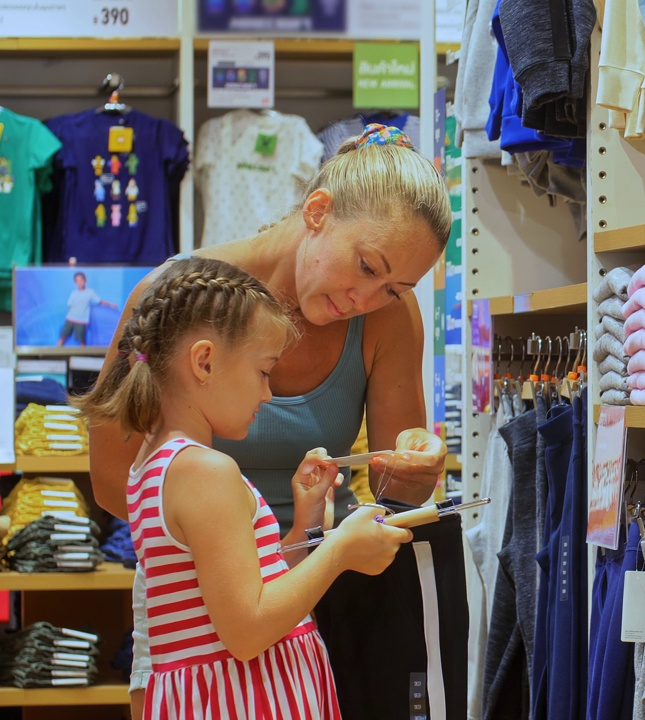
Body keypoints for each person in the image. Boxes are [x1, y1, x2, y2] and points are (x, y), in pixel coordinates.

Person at [85, 123, 454, 717]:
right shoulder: (177, 298)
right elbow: (113, 479)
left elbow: (395, 491)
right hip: (210, 595)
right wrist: (226, 544)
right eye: (365, 266)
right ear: (317, 211)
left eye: (395, 288)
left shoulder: (388, 316)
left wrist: (416, 465)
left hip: (308, 588)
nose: (368, 299)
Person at [74, 256, 414, 718]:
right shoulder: (206, 472)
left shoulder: (154, 464)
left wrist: (305, 523)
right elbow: (248, 630)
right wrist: (341, 552)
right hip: (245, 698)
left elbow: (239, 593)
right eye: (263, 371)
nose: (268, 394)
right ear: (205, 362)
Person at [58, 271, 117, 346]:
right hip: (70, 319)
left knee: (82, 342)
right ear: (75, 282)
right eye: (77, 281)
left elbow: (99, 301)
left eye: (81, 280)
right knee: (62, 338)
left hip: (81, 321)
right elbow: (69, 305)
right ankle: (54, 355)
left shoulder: (90, 292)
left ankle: (82, 357)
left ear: (85, 280)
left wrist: (111, 304)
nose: (79, 282)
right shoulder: (74, 293)